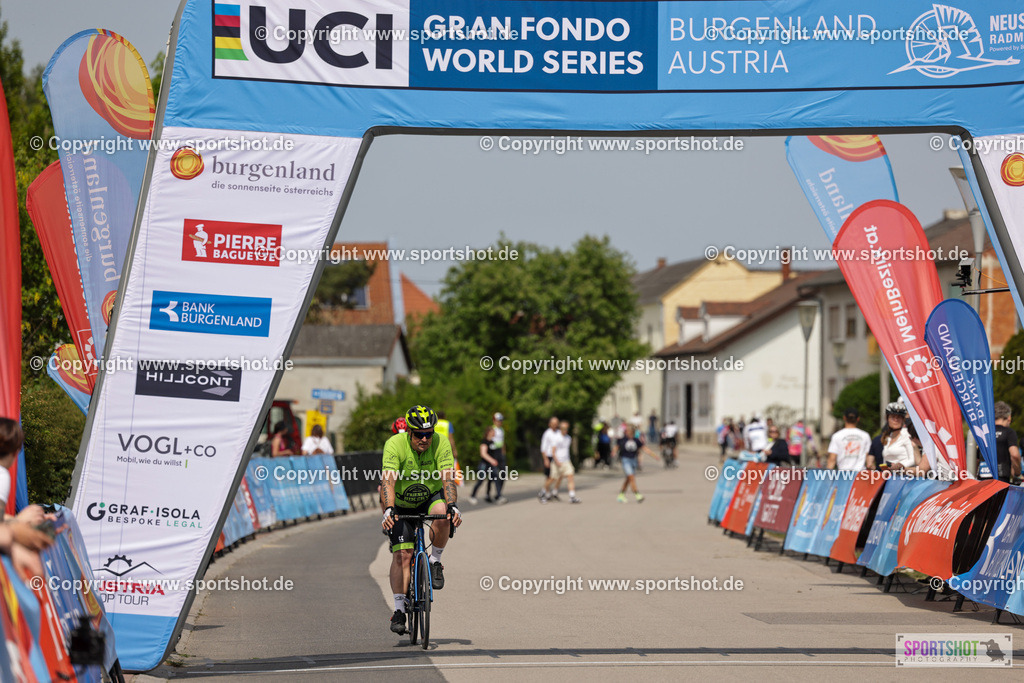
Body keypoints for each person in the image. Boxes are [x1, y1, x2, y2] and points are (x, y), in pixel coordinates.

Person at [380, 405, 461, 635]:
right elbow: (388, 482)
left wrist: (453, 505)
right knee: (402, 555)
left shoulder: (441, 442)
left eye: (429, 433)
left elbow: (447, 478)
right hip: (403, 501)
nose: (425, 439)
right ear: (409, 432)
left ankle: (435, 561)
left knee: (443, 512)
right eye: (419, 434)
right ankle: (398, 609)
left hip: (430, 496)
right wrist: (388, 510)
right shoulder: (394, 445)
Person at [879, 401, 930, 475]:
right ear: (887, 419)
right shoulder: (888, 436)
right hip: (890, 477)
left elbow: (912, 459)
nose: (896, 420)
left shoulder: (907, 434)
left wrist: (900, 466)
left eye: (899, 417)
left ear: (903, 419)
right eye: (893, 417)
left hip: (904, 476)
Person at [978, 401, 1021, 482]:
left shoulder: (984, 433)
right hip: (1001, 480)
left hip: (982, 480)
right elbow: (1014, 455)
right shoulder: (1009, 432)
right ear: (1009, 417)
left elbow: (976, 458)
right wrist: (1017, 473)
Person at [544, 421, 581, 503]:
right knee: (553, 479)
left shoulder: (568, 438)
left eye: (567, 428)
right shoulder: (556, 438)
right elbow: (553, 451)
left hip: (566, 461)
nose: (565, 430)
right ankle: (544, 490)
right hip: (557, 462)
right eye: (564, 428)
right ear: (560, 429)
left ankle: (572, 496)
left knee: (570, 476)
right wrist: (557, 461)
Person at [616, 426, 653, 503]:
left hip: (633, 460)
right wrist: (613, 452)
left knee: (628, 478)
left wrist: (652, 454)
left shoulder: (636, 440)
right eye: (627, 431)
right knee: (631, 478)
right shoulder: (623, 439)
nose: (628, 433)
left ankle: (621, 495)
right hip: (625, 460)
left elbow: (643, 448)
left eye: (630, 432)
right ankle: (637, 494)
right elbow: (617, 447)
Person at [469, 426, 500, 504]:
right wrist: (492, 460)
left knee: (493, 479)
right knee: (480, 481)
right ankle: (472, 496)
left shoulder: (492, 442)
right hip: (484, 465)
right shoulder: (484, 442)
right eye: (493, 431)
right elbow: (483, 454)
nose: (494, 433)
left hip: (491, 466)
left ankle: (489, 496)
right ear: (489, 432)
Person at [538, 417, 560, 501]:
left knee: (558, 476)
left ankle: (552, 492)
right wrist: (545, 459)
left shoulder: (559, 433)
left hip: (558, 457)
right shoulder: (547, 433)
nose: (555, 425)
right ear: (549, 424)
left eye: (556, 423)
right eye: (553, 423)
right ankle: (545, 492)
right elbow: (543, 448)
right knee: (549, 476)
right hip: (549, 456)